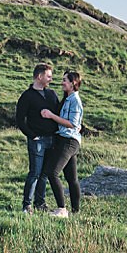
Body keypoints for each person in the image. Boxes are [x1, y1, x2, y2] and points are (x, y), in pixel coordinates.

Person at [14, 63, 59, 212]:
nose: (51, 79)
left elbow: (58, 113)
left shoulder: (52, 94)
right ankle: (27, 205)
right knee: (35, 172)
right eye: (48, 76)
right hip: (37, 140)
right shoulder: (27, 96)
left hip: (51, 140)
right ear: (39, 76)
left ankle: (40, 204)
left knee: (44, 174)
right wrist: (32, 136)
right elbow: (20, 119)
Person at [39, 70, 83, 217]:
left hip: (68, 141)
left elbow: (72, 124)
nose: (62, 82)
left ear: (73, 83)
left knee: (52, 172)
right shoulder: (68, 99)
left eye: (65, 80)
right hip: (69, 140)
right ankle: (76, 212)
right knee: (71, 178)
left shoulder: (75, 101)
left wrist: (51, 116)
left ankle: (61, 209)